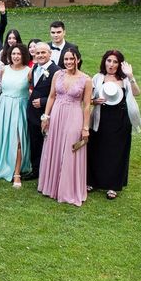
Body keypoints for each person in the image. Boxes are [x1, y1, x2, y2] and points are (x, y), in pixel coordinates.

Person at [38, 48, 92, 206]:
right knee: (53, 147)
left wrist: (85, 128)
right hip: (56, 115)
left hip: (74, 115)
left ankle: (68, 189)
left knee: (70, 150)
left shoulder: (86, 80)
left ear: (78, 60)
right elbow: (51, 96)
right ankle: (51, 186)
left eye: (72, 59)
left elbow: (87, 105)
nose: (68, 62)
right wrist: (45, 116)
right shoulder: (58, 74)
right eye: (66, 59)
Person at [88, 50, 141, 199]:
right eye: (109, 61)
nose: (111, 64)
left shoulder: (124, 79)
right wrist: (94, 101)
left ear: (119, 64)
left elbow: (137, 93)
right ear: (104, 62)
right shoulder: (98, 77)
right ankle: (92, 181)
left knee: (117, 152)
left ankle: (113, 186)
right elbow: (88, 99)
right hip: (101, 117)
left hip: (120, 119)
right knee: (96, 149)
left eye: (115, 62)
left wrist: (131, 76)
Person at [0, 44, 32, 187]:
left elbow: (32, 90)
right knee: (3, 136)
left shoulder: (29, 71)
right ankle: (1, 163)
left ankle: (17, 173)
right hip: (4, 107)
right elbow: (1, 88)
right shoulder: (3, 70)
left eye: (18, 54)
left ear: (23, 55)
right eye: (13, 54)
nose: (16, 56)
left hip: (19, 107)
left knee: (18, 140)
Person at [24, 42, 59, 180]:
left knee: (47, 143)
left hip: (47, 113)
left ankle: (47, 171)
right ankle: (36, 170)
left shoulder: (56, 70)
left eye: (43, 52)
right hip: (33, 113)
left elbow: (59, 94)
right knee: (34, 141)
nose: (40, 55)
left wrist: (43, 101)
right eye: (38, 53)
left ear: (49, 53)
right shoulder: (34, 69)